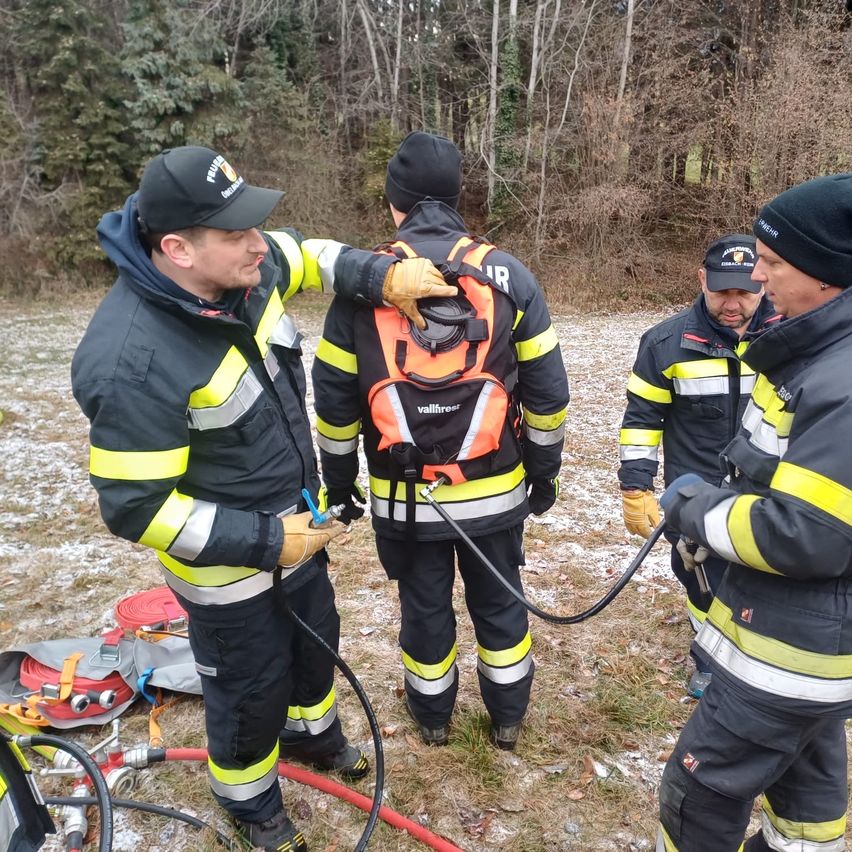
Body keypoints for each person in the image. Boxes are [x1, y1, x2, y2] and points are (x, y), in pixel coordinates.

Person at [71, 145, 456, 852]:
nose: (259, 244)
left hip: (298, 529)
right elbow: (134, 506)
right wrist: (266, 543)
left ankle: (313, 738)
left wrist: (385, 274)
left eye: (254, 226)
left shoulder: (245, 271)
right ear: (179, 249)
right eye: (236, 233)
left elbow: (307, 255)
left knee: (315, 648)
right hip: (229, 573)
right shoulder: (134, 361)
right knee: (249, 690)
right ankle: (250, 803)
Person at [311, 131, 570, 751]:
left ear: (394, 202)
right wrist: (543, 471)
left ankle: (433, 721)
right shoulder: (508, 274)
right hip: (497, 489)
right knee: (501, 604)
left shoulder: (365, 280)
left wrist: (341, 484)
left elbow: (335, 403)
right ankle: (507, 719)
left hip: (406, 500)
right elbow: (549, 393)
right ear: (457, 198)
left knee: (424, 609)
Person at [656, 173, 852, 852]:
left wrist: (695, 510)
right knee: (807, 794)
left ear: (828, 274)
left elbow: (807, 533)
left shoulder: (841, 379)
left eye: (772, 264)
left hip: (790, 649)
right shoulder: (820, 354)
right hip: (816, 650)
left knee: (696, 792)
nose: (758, 279)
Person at [618, 234, 777, 698]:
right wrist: (636, 486)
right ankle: (710, 659)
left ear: (763, 285)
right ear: (702, 280)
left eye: (744, 292)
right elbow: (641, 421)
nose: (733, 304)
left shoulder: (788, 338)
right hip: (695, 493)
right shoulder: (665, 345)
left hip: (769, 491)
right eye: (722, 290)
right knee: (700, 578)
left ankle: (760, 661)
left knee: (764, 581)